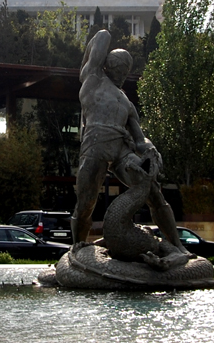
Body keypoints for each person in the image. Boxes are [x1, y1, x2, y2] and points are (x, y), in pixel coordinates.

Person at [72, 29, 187, 254]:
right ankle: (77, 247)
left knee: (153, 191)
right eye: (118, 68)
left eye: (126, 70)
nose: (122, 74)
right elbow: (103, 36)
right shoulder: (93, 77)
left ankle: (177, 245)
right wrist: (97, 55)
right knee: (86, 204)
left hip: (121, 153)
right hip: (95, 146)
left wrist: (151, 150)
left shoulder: (126, 102)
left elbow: (139, 139)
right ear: (106, 65)